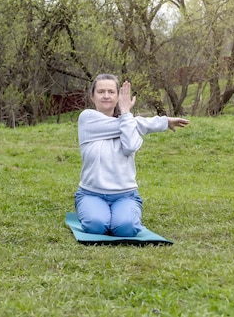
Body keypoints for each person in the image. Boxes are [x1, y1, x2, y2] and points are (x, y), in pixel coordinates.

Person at [75, 74, 189, 236]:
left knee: (126, 229)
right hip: (91, 193)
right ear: (92, 96)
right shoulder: (87, 118)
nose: (106, 96)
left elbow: (130, 147)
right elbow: (129, 124)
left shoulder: (129, 124)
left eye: (111, 92)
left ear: (118, 97)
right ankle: (93, 211)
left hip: (125, 195)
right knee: (96, 226)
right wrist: (161, 122)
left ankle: (120, 214)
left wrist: (126, 114)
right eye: (101, 92)